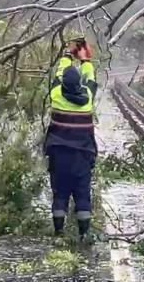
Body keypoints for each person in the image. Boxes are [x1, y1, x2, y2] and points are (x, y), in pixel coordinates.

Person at [44, 39, 98, 241]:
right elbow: (90, 78)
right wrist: (85, 59)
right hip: (83, 156)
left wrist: (68, 55)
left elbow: (59, 74)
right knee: (82, 194)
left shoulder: (56, 94)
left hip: (59, 155)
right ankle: (84, 234)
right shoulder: (88, 99)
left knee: (60, 193)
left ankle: (58, 232)